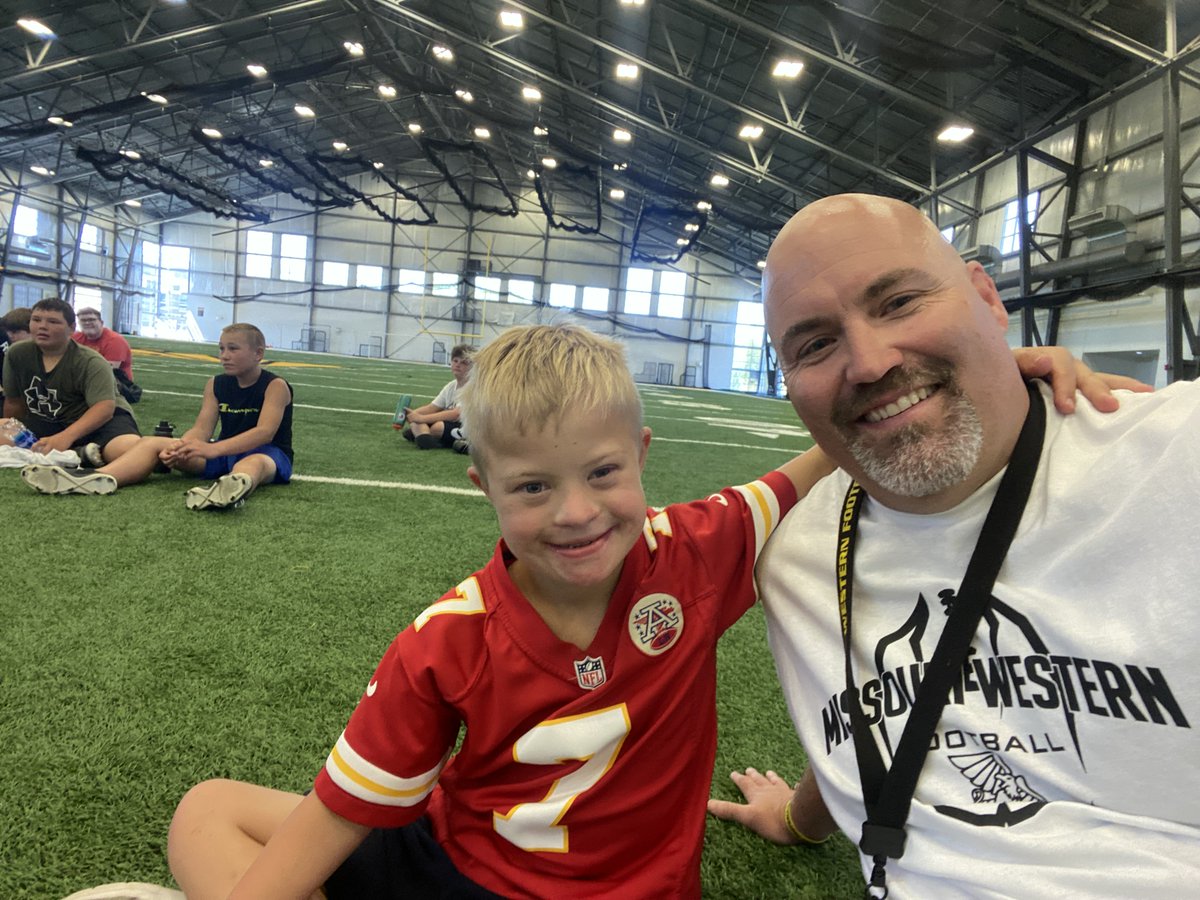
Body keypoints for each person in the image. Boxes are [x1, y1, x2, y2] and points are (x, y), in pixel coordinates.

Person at [155, 323, 829, 900]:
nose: (576, 512)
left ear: (641, 453)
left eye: (601, 473)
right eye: (534, 486)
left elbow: (340, 815)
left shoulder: (448, 635)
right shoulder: (696, 545)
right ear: (486, 487)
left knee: (210, 812)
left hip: (461, 870)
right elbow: (829, 456)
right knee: (208, 807)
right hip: (480, 865)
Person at [707, 194, 1198, 897]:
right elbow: (877, 711)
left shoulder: (1177, 452)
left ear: (986, 299)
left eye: (900, 303)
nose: (868, 362)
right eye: (814, 345)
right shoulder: (790, 556)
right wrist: (798, 817)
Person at [20, 322, 293, 509]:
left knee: (253, 463)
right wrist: (183, 446)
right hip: (222, 451)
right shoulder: (216, 384)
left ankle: (229, 490)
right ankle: (96, 477)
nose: (224, 355)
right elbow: (202, 428)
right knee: (152, 442)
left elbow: (264, 433)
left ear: (258, 353)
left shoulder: (275, 385)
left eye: (233, 349)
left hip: (269, 453)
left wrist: (213, 450)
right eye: (221, 348)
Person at [3, 298, 141, 485]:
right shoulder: (17, 353)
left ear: (71, 328)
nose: (42, 326)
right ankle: (80, 454)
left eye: (53, 322)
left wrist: (65, 438)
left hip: (97, 422)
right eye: (36, 320)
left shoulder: (90, 361)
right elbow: (14, 402)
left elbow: (104, 408)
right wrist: (13, 430)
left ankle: (83, 459)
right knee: (3, 429)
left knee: (129, 450)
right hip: (50, 420)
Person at [400, 343, 473, 450]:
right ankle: (426, 439)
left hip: (467, 426)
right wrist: (412, 414)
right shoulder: (451, 386)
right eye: (455, 361)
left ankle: (422, 435)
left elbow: (456, 414)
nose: (458, 365)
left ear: (472, 367)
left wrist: (421, 418)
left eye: (464, 363)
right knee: (416, 422)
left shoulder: (473, 387)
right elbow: (433, 407)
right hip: (451, 423)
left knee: (437, 427)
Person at [73, 307, 134, 381]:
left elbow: (107, 371)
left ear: (101, 322)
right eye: (83, 320)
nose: (87, 323)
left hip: (114, 382)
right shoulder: (75, 338)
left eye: (91, 319)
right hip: (84, 378)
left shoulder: (115, 341)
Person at [0, 306, 32, 400]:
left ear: (31, 331)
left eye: (15, 332)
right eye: (7, 331)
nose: (9, 336)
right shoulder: (11, 353)